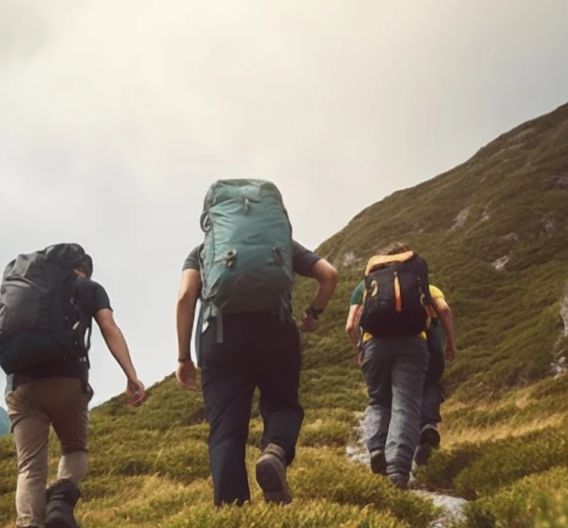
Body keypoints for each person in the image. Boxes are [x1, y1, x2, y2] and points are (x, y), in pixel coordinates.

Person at [0, 243, 145, 528]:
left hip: (22, 386)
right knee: (75, 448)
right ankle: (61, 502)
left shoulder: (22, 291)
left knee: (30, 468)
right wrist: (131, 376)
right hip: (67, 380)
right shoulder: (89, 288)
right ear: (83, 268)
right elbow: (108, 327)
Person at [175, 179, 338, 506]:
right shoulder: (284, 246)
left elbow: (184, 298)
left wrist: (183, 359)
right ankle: (276, 451)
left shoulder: (203, 252)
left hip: (220, 338)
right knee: (282, 404)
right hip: (274, 329)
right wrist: (313, 313)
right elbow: (329, 275)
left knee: (225, 431)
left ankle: (234, 519)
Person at [343, 242, 451, 488]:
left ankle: (376, 449)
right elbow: (444, 310)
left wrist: (359, 349)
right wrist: (451, 343)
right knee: (406, 404)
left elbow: (351, 325)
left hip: (374, 345)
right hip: (413, 344)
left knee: (379, 401)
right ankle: (398, 472)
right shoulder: (420, 282)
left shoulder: (366, 285)